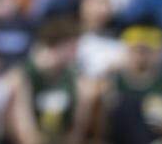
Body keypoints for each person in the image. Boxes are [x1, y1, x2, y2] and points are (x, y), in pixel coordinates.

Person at [6, 16, 98, 144]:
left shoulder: (74, 75)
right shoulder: (23, 76)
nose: (77, 52)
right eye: (74, 46)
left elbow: (77, 128)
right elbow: (23, 128)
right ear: (60, 44)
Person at [96, 21, 162, 144]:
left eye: (146, 51)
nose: (140, 56)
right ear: (126, 50)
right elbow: (99, 132)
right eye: (135, 50)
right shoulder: (110, 83)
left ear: (159, 51)